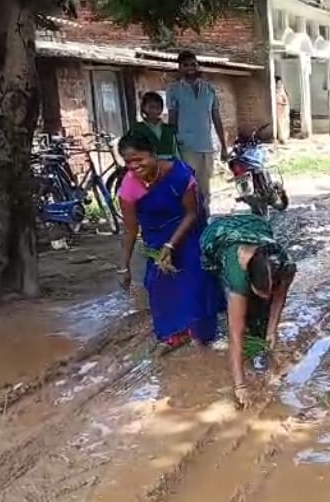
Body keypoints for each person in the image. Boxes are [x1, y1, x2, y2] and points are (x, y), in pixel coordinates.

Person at [116, 132, 223, 351]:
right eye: (128, 162)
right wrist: (123, 267)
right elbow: (130, 230)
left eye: (139, 159)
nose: (135, 166)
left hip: (189, 231)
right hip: (156, 239)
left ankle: (201, 335)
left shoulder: (180, 174)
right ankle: (176, 333)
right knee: (159, 284)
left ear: (153, 154)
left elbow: (192, 213)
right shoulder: (128, 189)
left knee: (197, 278)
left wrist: (171, 245)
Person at [200, 214, 296, 405]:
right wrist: (240, 385)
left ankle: (260, 334)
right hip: (216, 236)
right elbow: (235, 334)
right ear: (248, 280)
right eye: (260, 292)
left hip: (256, 226)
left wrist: (271, 330)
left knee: (261, 316)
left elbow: (279, 298)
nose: (268, 298)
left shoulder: (285, 266)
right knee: (237, 312)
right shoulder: (237, 274)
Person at [167, 50, 229, 213]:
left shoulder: (209, 89)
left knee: (205, 189)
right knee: (189, 187)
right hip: (185, 147)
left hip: (207, 146)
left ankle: (204, 220)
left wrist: (223, 146)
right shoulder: (174, 90)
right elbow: (172, 120)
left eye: (193, 64)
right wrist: (171, 146)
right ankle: (190, 221)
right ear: (179, 68)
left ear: (198, 65)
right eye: (186, 65)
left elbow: (216, 118)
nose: (190, 68)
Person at [128, 92, 179, 160]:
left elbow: (175, 152)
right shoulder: (136, 129)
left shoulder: (168, 129)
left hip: (168, 166)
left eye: (158, 107)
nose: (154, 110)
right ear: (143, 107)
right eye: (151, 107)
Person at [275, 76, 291, 144]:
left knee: (285, 123)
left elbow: (286, 100)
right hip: (278, 110)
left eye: (280, 83)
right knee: (280, 124)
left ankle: (285, 138)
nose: (279, 84)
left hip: (283, 109)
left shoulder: (282, 90)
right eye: (278, 83)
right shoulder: (275, 90)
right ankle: (281, 138)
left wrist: (280, 103)